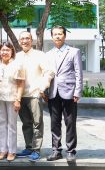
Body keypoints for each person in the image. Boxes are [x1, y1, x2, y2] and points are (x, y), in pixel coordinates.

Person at [15, 31, 54, 162]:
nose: (25, 41)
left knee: (37, 123)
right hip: (21, 95)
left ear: (32, 40)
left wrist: (42, 88)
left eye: (27, 38)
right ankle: (29, 147)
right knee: (26, 123)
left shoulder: (39, 55)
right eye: (22, 39)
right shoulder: (16, 56)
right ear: (19, 41)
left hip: (34, 94)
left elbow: (49, 72)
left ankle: (36, 150)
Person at [46, 26, 83, 162]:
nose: (57, 36)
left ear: (64, 36)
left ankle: (71, 151)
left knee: (70, 122)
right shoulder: (48, 54)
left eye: (60, 34)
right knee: (54, 123)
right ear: (52, 37)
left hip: (69, 92)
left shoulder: (74, 51)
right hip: (53, 92)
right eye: (55, 34)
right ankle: (56, 150)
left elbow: (79, 73)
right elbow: (46, 74)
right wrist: (45, 91)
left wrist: (77, 91)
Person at [0, 42, 25, 162]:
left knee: (12, 125)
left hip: (13, 99)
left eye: (7, 50)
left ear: (12, 51)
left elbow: (21, 83)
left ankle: (12, 151)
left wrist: (18, 99)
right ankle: (3, 150)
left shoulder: (18, 64)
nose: (5, 52)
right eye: (2, 50)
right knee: (1, 124)